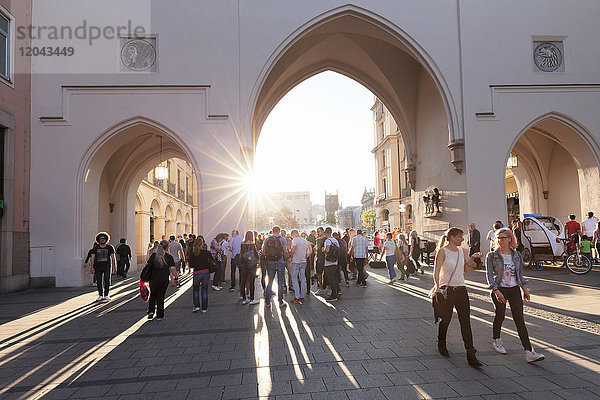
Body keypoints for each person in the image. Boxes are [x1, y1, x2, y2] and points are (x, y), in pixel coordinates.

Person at [485, 228, 545, 363]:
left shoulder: (516, 255)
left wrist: (525, 288)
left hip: (514, 290)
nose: (501, 240)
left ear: (510, 239)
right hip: (499, 289)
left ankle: (529, 351)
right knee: (500, 315)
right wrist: (496, 290)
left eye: (504, 237)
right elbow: (489, 275)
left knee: (519, 319)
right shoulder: (492, 255)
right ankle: (497, 340)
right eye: (498, 238)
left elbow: (519, 273)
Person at [433, 227, 483, 367]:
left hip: (461, 289)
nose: (462, 239)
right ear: (453, 237)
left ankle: (470, 353)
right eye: (460, 237)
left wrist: (472, 258)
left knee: (465, 322)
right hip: (446, 290)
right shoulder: (443, 251)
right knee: (446, 320)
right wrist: (437, 287)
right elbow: (436, 270)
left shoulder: (462, 251)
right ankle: (441, 342)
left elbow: (466, 271)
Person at [147, 240, 178, 320]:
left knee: (153, 295)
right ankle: (160, 315)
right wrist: (176, 277)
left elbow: (148, 265)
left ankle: (151, 311)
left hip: (153, 279)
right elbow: (173, 269)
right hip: (163, 280)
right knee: (160, 296)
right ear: (167, 247)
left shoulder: (154, 256)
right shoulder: (169, 257)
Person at [263, 226, 288, 307]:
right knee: (280, 282)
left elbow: (263, 251)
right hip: (280, 262)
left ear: (272, 231)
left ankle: (267, 302)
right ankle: (280, 302)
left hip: (270, 263)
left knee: (270, 282)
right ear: (279, 231)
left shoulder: (267, 239)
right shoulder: (282, 239)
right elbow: (284, 251)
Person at [188, 235, 214, 313]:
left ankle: (196, 306)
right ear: (202, 244)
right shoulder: (207, 253)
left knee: (196, 290)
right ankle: (204, 308)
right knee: (204, 290)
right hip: (206, 272)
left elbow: (191, 265)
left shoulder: (193, 254)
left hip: (197, 273)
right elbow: (212, 261)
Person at [89, 232, 117, 302]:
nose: (102, 240)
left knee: (107, 280)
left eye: (104, 238)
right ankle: (100, 295)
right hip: (97, 267)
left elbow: (113, 257)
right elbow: (92, 258)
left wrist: (114, 267)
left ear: (106, 239)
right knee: (99, 281)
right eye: (101, 238)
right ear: (98, 239)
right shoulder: (95, 248)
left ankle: (106, 294)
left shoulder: (110, 247)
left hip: (107, 266)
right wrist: (91, 267)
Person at [240, 230, 260, 305]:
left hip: (244, 264)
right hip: (252, 265)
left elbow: (241, 254)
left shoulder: (242, 244)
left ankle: (244, 298)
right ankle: (252, 298)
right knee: (252, 281)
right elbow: (256, 254)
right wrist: (258, 261)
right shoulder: (252, 244)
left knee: (243, 281)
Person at [289, 229, 310, 303]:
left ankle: (297, 297)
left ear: (293, 234)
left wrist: (290, 252)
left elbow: (293, 250)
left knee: (295, 279)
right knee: (303, 279)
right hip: (303, 262)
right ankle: (302, 296)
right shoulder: (305, 241)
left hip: (296, 262)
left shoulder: (295, 240)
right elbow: (307, 253)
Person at [323, 227, 340, 301]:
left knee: (331, 278)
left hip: (329, 262)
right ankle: (338, 291)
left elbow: (327, 250)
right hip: (335, 261)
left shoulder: (327, 241)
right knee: (335, 277)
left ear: (326, 233)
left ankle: (333, 295)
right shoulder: (335, 240)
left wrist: (323, 249)